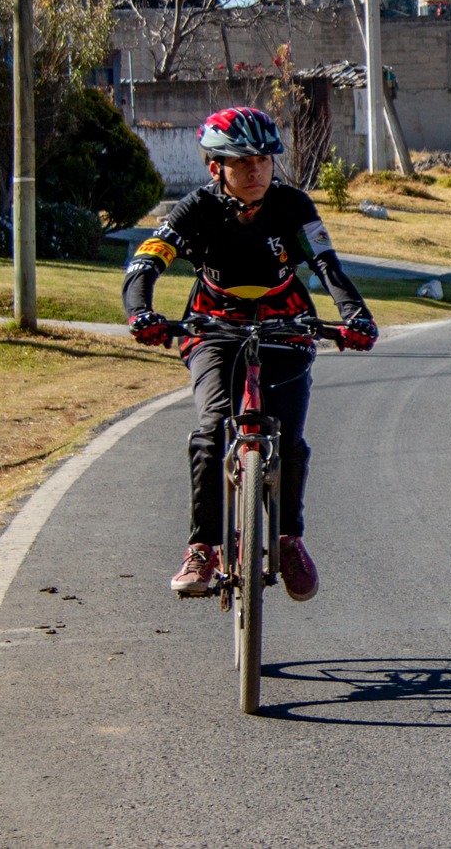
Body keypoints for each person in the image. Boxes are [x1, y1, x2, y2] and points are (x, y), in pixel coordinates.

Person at [122, 107, 379, 601]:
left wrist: (356, 316)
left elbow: (326, 265)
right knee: (211, 428)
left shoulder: (293, 204)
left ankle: (288, 540)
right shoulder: (194, 209)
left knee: (291, 437)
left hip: (287, 322)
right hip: (213, 324)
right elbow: (144, 264)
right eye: (242, 162)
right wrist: (141, 312)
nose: (256, 170)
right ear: (215, 167)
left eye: (263, 159)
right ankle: (202, 548)